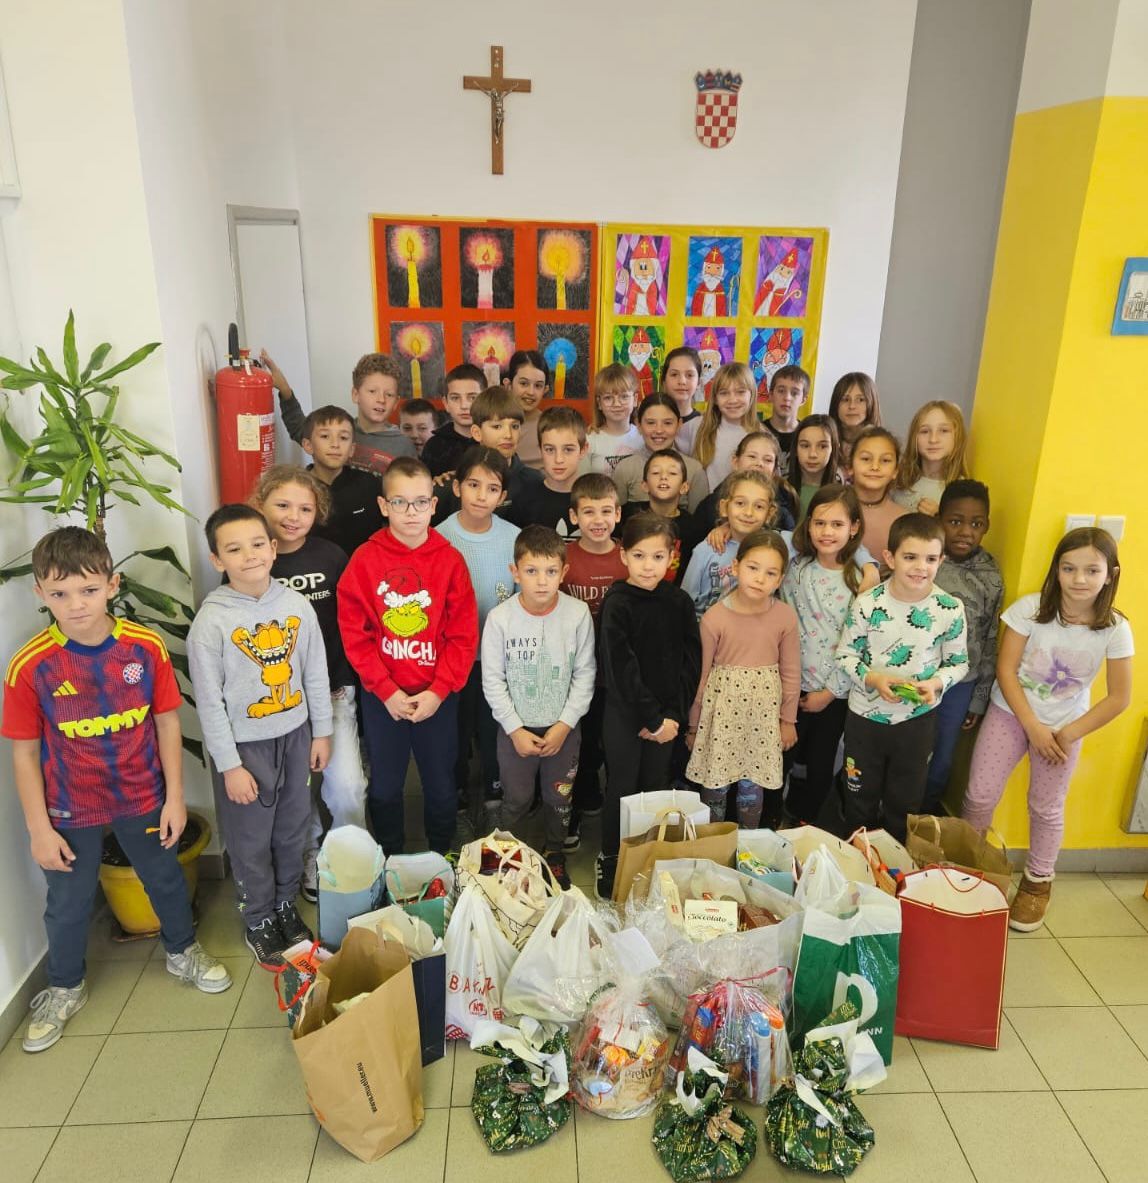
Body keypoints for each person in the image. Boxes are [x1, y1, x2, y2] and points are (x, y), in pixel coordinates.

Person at [3, 528, 232, 1052]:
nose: (75, 604)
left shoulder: (144, 647)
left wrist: (175, 797)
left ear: (112, 584)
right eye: (59, 593)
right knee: (68, 900)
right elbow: (23, 753)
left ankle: (182, 951)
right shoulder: (30, 665)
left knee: (164, 878)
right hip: (69, 806)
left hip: (142, 794)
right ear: (40, 593)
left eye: (88, 590)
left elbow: (167, 723)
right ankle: (65, 986)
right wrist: (39, 830)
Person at [962, 528, 1132, 931]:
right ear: (1056, 570)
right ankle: (965, 866)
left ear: (1110, 574)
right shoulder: (1030, 610)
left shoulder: (1115, 628)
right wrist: (1032, 726)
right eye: (1069, 568)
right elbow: (1006, 670)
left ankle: (1038, 882)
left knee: (1047, 806)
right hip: (1011, 713)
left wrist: (1067, 734)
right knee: (979, 795)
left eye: (1092, 570)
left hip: (1064, 729)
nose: (1079, 579)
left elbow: (1119, 698)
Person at [187, 505, 332, 967]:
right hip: (246, 751)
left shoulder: (296, 606)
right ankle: (259, 918)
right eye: (234, 549)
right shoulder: (210, 623)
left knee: (292, 830)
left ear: (272, 549)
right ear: (217, 559)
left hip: (296, 737)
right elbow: (210, 703)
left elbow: (315, 673)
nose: (249, 555)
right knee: (250, 839)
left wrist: (322, 732)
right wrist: (230, 765)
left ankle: (286, 904)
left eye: (256, 544)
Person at [337, 457, 478, 856]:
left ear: (434, 505)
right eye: (400, 502)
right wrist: (385, 690)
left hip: (438, 696)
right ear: (384, 506)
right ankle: (390, 855)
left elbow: (462, 635)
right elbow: (355, 635)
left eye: (420, 502)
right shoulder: (365, 560)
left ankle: (441, 853)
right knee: (384, 785)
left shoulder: (450, 561)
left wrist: (439, 691)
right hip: (384, 699)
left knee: (440, 784)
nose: (411, 512)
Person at [251, 466, 367, 903]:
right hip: (280, 699)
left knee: (348, 785)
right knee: (297, 790)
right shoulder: (254, 560)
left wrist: (348, 679)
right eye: (282, 505)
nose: (293, 516)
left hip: (334, 689)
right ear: (261, 505)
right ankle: (311, 855)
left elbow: (352, 622)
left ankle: (352, 855)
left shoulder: (332, 556)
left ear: (318, 512)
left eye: (305, 508)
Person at [834, 513, 969, 840]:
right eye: (910, 557)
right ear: (890, 558)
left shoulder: (950, 608)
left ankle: (894, 856)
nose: (920, 567)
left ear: (941, 561)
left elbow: (959, 663)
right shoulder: (868, 603)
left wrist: (936, 683)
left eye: (931, 559)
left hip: (917, 722)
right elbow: (845, 655)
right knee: (858, 795)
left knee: (905, 802)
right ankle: (858, 852)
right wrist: (873, 680)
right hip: (865, 719)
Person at [482, 526, 596, 888]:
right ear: (515, 572)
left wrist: (564, 725)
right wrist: (515, 729)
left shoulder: (577, 614)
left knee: (559, 797)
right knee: (517, 797)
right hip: (515, 730)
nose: (542, 581)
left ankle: (554, 851)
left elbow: (585, 674)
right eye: (531, 571)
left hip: (563, 729)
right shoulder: (500, 619)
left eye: (550, 571)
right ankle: (510, 853)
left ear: (564, 572)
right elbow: (492, 680)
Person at [598, 514, 702, 898]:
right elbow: (620, 667)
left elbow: (690, 663)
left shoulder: (679, 602)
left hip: (668, 718)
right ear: (623, 555)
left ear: (671, 558)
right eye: (639, 556)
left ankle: (648, 859)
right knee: (622, 787)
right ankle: (612, 857)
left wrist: (672, 716)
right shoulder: (617, 602)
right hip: (626, 715)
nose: (648, 566)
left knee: (655, 786)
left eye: (657, 557)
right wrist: (650, 718)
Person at [686, 530, 800, 829]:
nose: (760, 578)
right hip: (720, 718)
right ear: (735, 567)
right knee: (715, 786)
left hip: (761, 719)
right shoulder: (714, 618)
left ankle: (749, 840)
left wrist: (787, 720)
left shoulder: (785, 617)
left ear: (780, 579)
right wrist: (694, 726)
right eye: (753, 568)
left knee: (753, 786)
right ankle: (712, 840)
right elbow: (701, 677)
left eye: (770, 573)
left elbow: (791, 672)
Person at [780, 485, 878, 823]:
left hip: (834, 693)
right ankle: (774, 821)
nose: (827, 532)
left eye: (837, 524)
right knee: (782, 758)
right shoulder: (795, 568)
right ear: (808, 524)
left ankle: (808, 822)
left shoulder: (860, 580)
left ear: (853, 527)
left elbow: (860, 644)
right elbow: (770, 538)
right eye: (819, 523)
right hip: (790, 686)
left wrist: (830, 692)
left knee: (822, 764)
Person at [437, 447, 520, 819]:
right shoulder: (438, 538)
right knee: (454, 730)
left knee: (493, 728)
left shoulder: (513, 538)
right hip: (451, 659)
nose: (481, 495)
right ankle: (455, 794)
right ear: (457, 487)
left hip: (497, 659)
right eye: (473, 484)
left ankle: (494, 793)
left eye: (492, 488)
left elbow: (521, 600)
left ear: (502, 496)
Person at [923, 480, 1004, 813]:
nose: (965, 532)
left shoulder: (990, 576)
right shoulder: (925, 560)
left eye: (976, 523)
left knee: (942, 755)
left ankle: (922, 817)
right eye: (955, 521)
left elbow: (990, 637)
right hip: (914, 676)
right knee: (906, 750)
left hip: (960, 685)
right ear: (940, 519)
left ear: (987, 526)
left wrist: (980, 697)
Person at [560, 473, 626, 850]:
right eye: (588, 512)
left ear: (618, 514)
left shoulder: (628, 558)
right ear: (573, 516)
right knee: (579, 744)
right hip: (575, 673)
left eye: (605, 511)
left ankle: (611, 809)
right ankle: (579, 801)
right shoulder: (564, 559)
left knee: (610, 743)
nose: (597, 520)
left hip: (616, 675)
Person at [262, 349, 415, 474]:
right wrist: (285, 390)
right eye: (372, 391)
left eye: (389, 394)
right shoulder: (339, 431)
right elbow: (299, 428)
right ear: (355, 394)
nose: (381, 399)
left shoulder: (403, 445)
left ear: (396, 402)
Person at [430, 385, 543, 526]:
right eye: (497, 426)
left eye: (514, 426)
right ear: (477, 433)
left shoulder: (535, 482)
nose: (508, 435)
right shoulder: (451, 485)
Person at [681, 470, 774, 618]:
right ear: (724, 507)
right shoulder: (705, 550)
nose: (748, 512)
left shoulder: (776, 549)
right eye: (740, 503)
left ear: (769, 513)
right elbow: (684, 602)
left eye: (759, 506)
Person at [296, 404, 385, 558]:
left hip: (363, 568)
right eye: (325, 436)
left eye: (343, 438)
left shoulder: (369, 485)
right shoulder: (296, 489)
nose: (335, 445)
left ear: (352, 449)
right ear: (308, 445)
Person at [612, 394, 709, 513]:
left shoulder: (694, 470)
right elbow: (616, 517)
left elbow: (699, 520)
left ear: (679, 425)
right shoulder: (625, 468)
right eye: (650, 423)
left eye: (667, 423)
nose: (659, 430)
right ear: (639, 425)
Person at [623, 450, 705, 583]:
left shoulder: (693, 528)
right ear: (644, 485)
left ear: (684, 487)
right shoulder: (628, 515)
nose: (663, 477)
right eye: (656, 473)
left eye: (672, 473)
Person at [678, 362, 760, 489]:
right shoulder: (695, 427)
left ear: (752, 394)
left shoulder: (762, 435)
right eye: (724, 393)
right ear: (715, 398)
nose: (732, 400)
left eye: (740, 392)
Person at [696, 431, 796, 533]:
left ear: (774, 470)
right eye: (752, 456)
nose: (759, 463)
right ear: (735, 462)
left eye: (768, 460)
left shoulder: (785, 507)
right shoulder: (711, 505)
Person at [515, 406, 589, 533]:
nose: (558, 459)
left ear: (583, 450)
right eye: (550, 449)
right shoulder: (524, 500)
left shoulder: (596, 500)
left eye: (568, 450)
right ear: (540, 450)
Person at [892, 400, 969, 515]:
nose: (933, 439)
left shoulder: (964, 491)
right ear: (914, 437)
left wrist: (940, 517)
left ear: (958, 437)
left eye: (944, 431)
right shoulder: (899, 481)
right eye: (925, 431)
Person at [850, 425, 909, 559]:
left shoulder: (904, 520)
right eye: (866, 459)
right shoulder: (831, 510)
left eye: (885, 460)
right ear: (850, 466)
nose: (875, 467)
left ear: (895, 471)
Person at [421, 364, 484, 476]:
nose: (464, 405)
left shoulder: (495, 440)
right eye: (455, 398)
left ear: (485, 399)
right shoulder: (434, 446)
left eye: (472, 398)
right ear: (446, 403)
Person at [582, 363, 642, 476]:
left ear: (635, 399)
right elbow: (583, 482)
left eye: (624, 396)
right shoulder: (590, 439)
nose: (616, 404)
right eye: (608, 398)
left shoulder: (643, 437)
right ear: (599, 403)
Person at [787, 414, 843, 520]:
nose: (812, 454)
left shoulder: (842, 494)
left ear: (834, 448)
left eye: (822, 446)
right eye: (805, 446)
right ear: (795, 449)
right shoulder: (782, 490)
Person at [504, 349, 550, 470]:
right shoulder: (492, 424)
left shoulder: (551, 425)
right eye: (524, 384)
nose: (531, 392)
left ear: (545, 390)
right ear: (508, 385)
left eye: (538, 386)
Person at [828, 372, 881, 471]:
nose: (852, 406)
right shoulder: (825, 441)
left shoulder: (883, 445)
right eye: (845, 399)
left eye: (860, 400)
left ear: (871, 403)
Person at [763, 364, 810, 468]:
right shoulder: (757, 431)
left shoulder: (808, 435)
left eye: (794, 393)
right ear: (771, 395)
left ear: (803, 400)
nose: (787, 398)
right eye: (781, 391)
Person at [661, 345, 703, 444]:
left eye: (689, 375)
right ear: (664, 381)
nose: (682, 381)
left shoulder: (704, 425)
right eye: (674, 374)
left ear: (698, 383)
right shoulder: (651, 421)